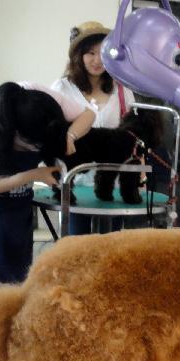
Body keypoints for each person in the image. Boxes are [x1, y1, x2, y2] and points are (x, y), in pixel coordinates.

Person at [0, 81, 94, 288]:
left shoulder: (39, 98)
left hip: (18, 196)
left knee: (20, 268)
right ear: (14, 134)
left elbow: (88, 115)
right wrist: (33, 175)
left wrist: (69, 136)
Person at [51, 21, 137, 234]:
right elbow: (52, 133)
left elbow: (131, 135)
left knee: (110, 252)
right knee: (76, 247)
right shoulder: (61, 89)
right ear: (78, 56)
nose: (97, 60)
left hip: (112, 189)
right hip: (74, 184)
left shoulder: (122, 91)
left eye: (103, 53)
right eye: (90, 53)